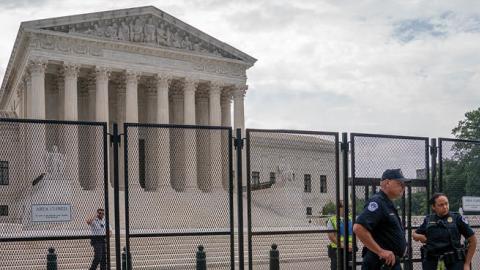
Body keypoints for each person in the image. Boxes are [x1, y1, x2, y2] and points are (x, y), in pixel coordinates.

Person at [353, 169, 410, 270]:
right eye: (400, 183)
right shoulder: (378, 202)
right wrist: (380, 251)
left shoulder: (387, 203)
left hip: (390, 263)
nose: (403, 187)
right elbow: (359, 228)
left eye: (404, 184)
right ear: (387, 183)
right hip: (379, 263)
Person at [413, 193, 477, 270]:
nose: (445, 207)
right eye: (441, 205)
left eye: (446, 203)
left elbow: (473, 240)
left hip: (454, 263)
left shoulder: (457, 218)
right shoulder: (428, 219)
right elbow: (415, 234)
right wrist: (419, 236)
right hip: (432, 262)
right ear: (433, 207)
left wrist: (467, 264)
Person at [326, 200, 353, 270]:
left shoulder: (351, 219)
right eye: (346, 207)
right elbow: (331, 236)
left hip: (350, 250)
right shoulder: (332, 220)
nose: (348, 209)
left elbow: (356, 233)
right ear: (339, 208)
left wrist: (353, 245)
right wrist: (343, 245)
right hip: (337, 250)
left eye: (349, 207)